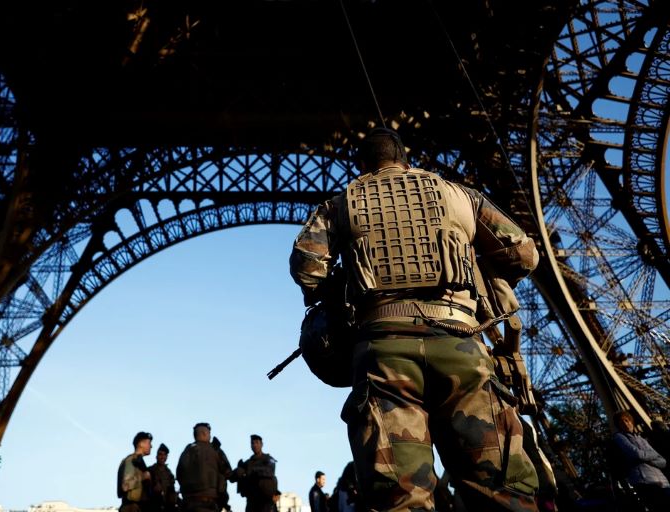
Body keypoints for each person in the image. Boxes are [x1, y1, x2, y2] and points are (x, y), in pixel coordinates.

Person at [289, 127, 540, 511]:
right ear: (406, 158)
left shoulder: (340, 203)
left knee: (399, 499)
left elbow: (307, 266)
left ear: (362, 165)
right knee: (502, 490)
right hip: (462, 341)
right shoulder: (460, 196)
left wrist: (339, 290)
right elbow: (524, 255)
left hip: (384, 350)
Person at [613, 410, 670, 511]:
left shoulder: (642, 439)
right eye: (621, 422)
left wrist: (649, 459)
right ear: (618, 425)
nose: (626, 424)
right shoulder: (619, 437)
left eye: (627, 420)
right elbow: (637, 454)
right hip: (644, 482)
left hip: (663, 482)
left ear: (631, 421)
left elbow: (663, 462)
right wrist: (653, 456)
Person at [177, 422, 233, 512]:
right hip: (208, 504)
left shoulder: (187, 450)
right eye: (209, 433)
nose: (210, 436)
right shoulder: (214, 449)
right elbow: (228, 473)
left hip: (187, 504)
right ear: (204, 433)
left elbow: (179, 474)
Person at [232, 434, 278, 512]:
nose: (255, 445)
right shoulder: (248, 463)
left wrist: (250, 471)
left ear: (262, 444)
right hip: (252, 501)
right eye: (252, 443)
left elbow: (269, 471)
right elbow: (233, 477)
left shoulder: (269, 459)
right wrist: (238, 472)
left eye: (257, 443)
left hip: (265, 501)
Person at [118, 431, 154, 512]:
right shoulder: (131, 460)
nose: (151, 446)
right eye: (149, 443)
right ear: (141, 444)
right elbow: (125, 486)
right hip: (131, 507)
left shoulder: (140, 461)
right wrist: (142, 477)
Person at [148, 443, 179, 512]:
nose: (162, 457)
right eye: (160, 454)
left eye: (165, 455)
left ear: (167, 457)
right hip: (153, 505)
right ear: (156, 456)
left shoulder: (169, 474)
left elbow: (172, 491)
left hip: (167, 507)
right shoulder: (150, 470)